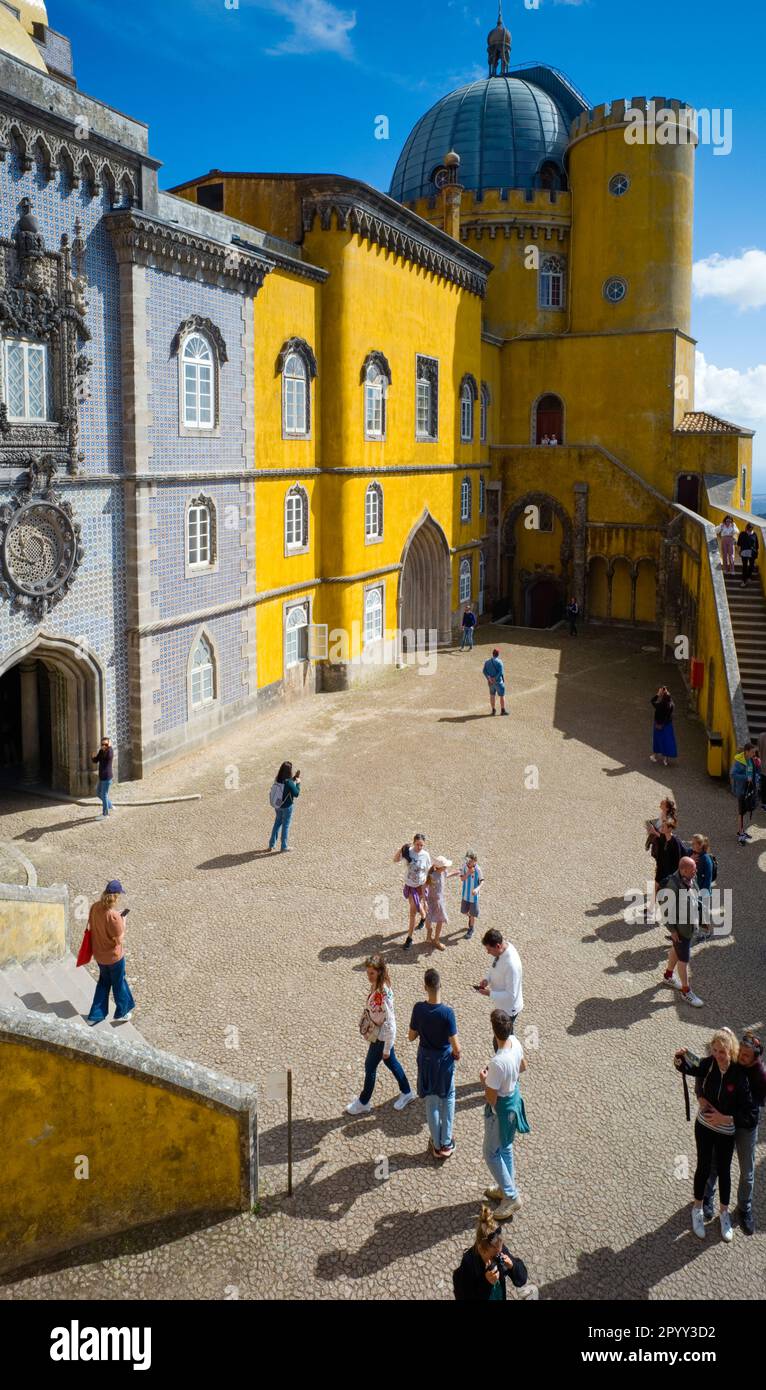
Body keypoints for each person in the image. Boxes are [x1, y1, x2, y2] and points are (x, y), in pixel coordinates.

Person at [676, 1029, 756, 1242]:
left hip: (725, 1130)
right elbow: (688, 1064)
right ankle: (697, 1209)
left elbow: (750, 1113)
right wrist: (679, 1057)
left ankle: (724, 1214)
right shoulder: (709, 1063)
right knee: (703, 1167)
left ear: (731, 1051)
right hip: (704, 1126)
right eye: (716, 1050)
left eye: (723, 1051)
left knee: (723, 1170)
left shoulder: (739, 1076)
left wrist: (726, 1119)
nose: (719, 1055)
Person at [703, 1031, 766, 1235]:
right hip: (723, 1120)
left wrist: (728, 1119)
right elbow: (705, 1070)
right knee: (714, 1162)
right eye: (740, 1052)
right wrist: (699, 1095)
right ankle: (707, 1198)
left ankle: (744, 1208)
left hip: (744, 1126)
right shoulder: (732, 1059)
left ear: (756, 1059)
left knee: (747, 1172)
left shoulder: (760, 1076)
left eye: (746, 1056)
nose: (740, 1057)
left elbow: (752, 1116)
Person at [346, 955, 414, 1115]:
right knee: (391, 1063)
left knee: (370, 1067)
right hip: (380, 1036)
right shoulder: (378, 986)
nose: (368, 976)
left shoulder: (382, 994)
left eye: (372, 973)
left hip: (381, 1038)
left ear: (379, 972)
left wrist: (387, 1047)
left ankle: (364, 1101)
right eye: (368, 973)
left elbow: (391, 1022)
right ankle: (407, 1091)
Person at [480, 1009, 528, 1221]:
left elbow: (491, 1098)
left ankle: (510, 1196)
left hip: (500, 1110)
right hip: (513, 1101)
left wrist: (484, 1079)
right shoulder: (515, 1043)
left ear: (494, 1032)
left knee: (491, 1152)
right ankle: (505, 1187)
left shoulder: (497, 1062)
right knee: (506, 1146)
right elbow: (524, 1066)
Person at [408, 968, 461, 1158]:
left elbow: (411, 1036)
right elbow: (456, 1046)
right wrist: (457, 1054)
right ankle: (447, 1143)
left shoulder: (418, 1008)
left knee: (431, 1101)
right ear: (441, 986)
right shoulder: (447, 1013)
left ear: (425, 987)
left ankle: (436, 1145)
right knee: (448, 1098)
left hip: (426, 1059)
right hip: (444, 1061)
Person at [452, 1204, 535, 1301]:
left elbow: (521, 1280)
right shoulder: (468, 1263)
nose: (498, 1257)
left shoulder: (499, 1251)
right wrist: (487, 1283)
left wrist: (513, 1266)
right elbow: (465, 1296)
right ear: (481, 1249)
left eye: (500, 1252)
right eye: (493, 1256)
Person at [84, 880, 135, 1026]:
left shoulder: (94, 907)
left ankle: (95, 1015)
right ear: (117, 896)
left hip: (99, 955)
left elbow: (95, 925)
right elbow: (118, 940)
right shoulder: (114, 916)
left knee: (103, 983)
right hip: (114, 958)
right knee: (119, 983)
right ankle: (122, 1013)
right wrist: (123, 922)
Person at [659, 855, 702, 1006]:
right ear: (683, 870)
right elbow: (665, 909)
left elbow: (695, 897)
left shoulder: (689, 878)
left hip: (689, 926)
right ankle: (686, 991)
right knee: (684, 960)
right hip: (681, 929)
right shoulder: (673, 885)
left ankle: (668, 976)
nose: (695, 873)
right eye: (693, 870)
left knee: (675, 951)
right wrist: (672, 930)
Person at [476, 929, 524, 1035]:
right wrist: (487, 979)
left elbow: (511, 995)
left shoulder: (511, 966)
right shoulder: (501, 951)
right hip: (501, 1005)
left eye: (489, 949)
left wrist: (489, 993)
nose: (487, 952)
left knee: (503, 1038)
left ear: (498, 946)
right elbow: (495, 966)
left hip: (508, 1009)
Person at [394, 834, 432, 950]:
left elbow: (429, 871)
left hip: (421, 887)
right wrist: (401, 849)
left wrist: (429, 886)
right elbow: (395, 860)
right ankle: (410, 937)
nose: (419, 847)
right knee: (412, 912)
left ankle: (422, 919)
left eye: (422, 845)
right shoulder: (408, 852)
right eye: (417, 844)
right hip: (410, 887)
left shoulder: (425, 855)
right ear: (413, 842)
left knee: (416, 908)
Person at [267, 761, 301, 852]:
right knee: (285, 825)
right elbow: (296, 794)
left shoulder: (277, 778)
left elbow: (285, 786)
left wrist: (294, 779)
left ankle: (271, 844)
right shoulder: (289, 782)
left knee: (277, 823)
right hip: (287, 807)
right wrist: (298, 783)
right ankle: (284, 846)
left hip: (277, 805)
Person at [730, 741, 758, 844]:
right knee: (741, 812)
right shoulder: (738, 762)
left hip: (748, 789)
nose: (753, 754)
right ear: (746, 752)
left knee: (744, 811)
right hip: (742, 790)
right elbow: (733, 774)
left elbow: (753, 772)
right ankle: (741, 833)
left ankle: (741, 831)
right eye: (752, 752)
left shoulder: (751, 760)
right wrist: (746, 778)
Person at [424, 855, 453, 951]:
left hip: (439, 901)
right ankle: (430, 933)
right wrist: (424, 901)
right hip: (431, 901)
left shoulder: (443, 872)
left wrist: (456, 872)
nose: (446, 868)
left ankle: (436, 939)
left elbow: (447, 875)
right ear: (440, 867)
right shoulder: (432, 876)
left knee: (439, 920)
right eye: (445, 866)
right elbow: (424, 887)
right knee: (429, 920)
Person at [690, 833, 714, 940]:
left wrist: (701, 894)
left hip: (702, 892)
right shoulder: (695, 854)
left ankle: (708, 932)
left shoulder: (706, 859)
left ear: (700, 845)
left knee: (703, 915)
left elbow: (708, 879)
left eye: (694, 843)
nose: (692, 844)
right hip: (695, 890)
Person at [650, 685, 677, 766]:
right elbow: (670, 699)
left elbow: (652, 701)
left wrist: (658, 694)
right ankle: (665, 759)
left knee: (657, 741)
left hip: (658, 725)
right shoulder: (671, 705)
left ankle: (654, 755)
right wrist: (666, 694)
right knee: (667, 741)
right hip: (667, 725)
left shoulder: (659, 705)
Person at [458, 850, 483, 939]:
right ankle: (470, 917)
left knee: (472, 914)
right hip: (465, 895)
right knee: (464, 911)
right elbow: (462, 879)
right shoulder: (464, 867)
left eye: (471, 861)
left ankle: (471, 929)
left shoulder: (478, 869)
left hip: (474, 897)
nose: (469, 862)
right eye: (467, 860)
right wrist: (468, 873)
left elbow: (482, 881)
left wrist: (477, 889)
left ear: (475, 861)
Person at [92, 736, 114, 818]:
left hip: (107, 777)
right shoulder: (101, 751)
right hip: (101, 777)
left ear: (109, 744)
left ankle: (105, 814)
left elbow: (107, 757)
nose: (104, 746)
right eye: (102, 744)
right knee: (98, 793)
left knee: (104, 794)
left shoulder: (110, 752)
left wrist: (108, 747)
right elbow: (96, 760)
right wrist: (93, 757)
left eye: (106, 744)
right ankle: (110, 805)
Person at [482, 647, 508, 716]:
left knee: (492, 695)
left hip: (490, 683)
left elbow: (484, 671)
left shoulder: (487, 661)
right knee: (502, 696)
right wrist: (495, 678)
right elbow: (500, 672)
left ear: (492, 654)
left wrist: (489, 678)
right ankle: (503, 710)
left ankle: (493, 710)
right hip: (498, 682)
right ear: (498, 654)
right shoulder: (499, 662)